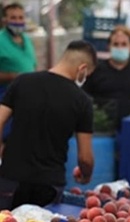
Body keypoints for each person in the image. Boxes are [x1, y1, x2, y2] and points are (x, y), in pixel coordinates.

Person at [0, 40, 96, 209]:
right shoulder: (82, 101)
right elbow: (85, 157)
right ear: (82, 69)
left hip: (11, 178)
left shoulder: (22, 82)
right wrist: (85, 174)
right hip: (49, 185)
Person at [0, 2, 36, 99]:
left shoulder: (27, 40)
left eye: (21, 17)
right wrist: (13, 76)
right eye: (13, 18)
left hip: (27, 96)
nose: (18, 21)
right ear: (4, 20)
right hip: (5, 98)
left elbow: (33, 66)